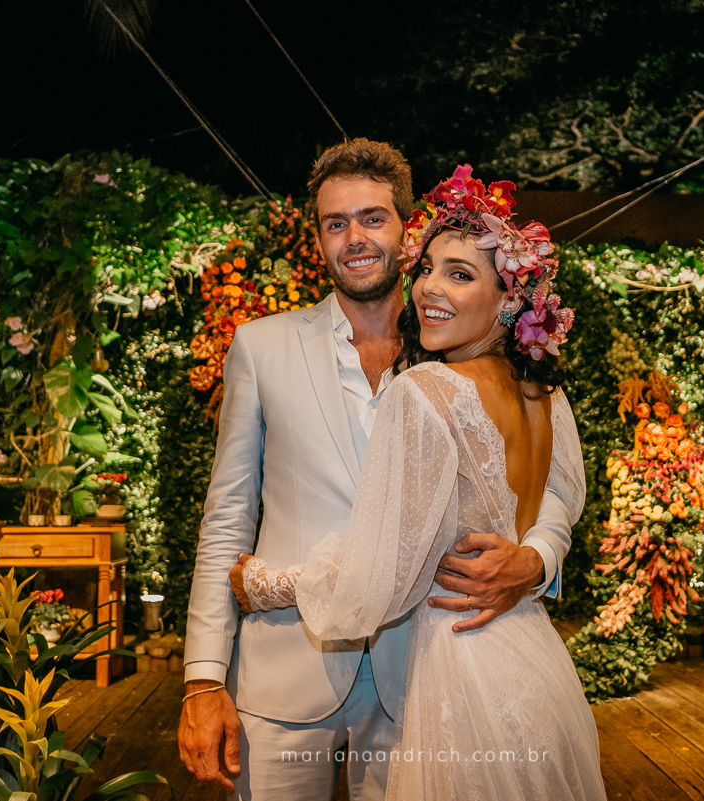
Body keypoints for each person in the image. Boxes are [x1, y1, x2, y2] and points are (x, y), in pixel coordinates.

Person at [177, 140, 579, 800]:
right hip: (284, 680)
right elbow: (226, 518)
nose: (355, 238)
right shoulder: (261, 346)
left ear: (407, 230)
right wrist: (202, 677)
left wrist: (535, 558)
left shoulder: (457, 354)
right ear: (318, 239)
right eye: (335, 223)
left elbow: (555, 486)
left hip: (422, 680)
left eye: (372, 218)